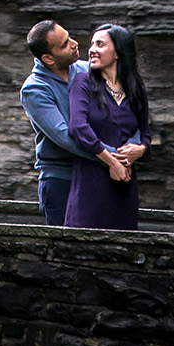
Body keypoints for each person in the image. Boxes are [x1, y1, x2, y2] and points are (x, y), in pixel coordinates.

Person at [64, 22, 151, 230]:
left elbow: (145, 134)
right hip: (90, 183)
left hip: (124, 186)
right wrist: (111, 161)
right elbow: (77, 127)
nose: (92, 49)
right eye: (92, 44)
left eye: (100, 44)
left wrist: (140, 150)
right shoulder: (83, 83)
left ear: (118, 52)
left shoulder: (136, 88)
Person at [19, 18, 90, 225]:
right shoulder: (35, 89)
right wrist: (109, 156)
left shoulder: (88, 71)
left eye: (69, 37)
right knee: (67, 250)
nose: (75, 43)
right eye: (65, 44)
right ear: (48, 58)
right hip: (62, 180)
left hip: (97, 174)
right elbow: (63, 136)